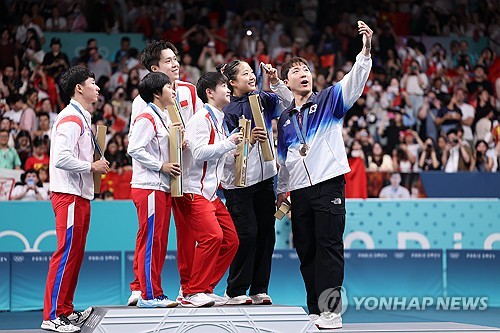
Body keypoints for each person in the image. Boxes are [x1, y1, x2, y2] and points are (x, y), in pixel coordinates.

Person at [275, 21, 372, 330]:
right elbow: (285, 162)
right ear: (287, 83)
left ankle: (332, 310)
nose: (303, 74)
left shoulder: (329, 100)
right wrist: (282, 193)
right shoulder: (286, 121)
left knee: (329, 247)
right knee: (306, 251)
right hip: (300, 192)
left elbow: (354, 81)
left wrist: (365, 51)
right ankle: (315, 308)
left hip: (329, 183)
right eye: (296, 71)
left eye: (306, 70)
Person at [127, 40, 203, 306]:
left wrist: (187, 141)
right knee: (151, 235)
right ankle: (142, 287)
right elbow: (135, 142)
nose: (176, 64)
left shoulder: (190, 91)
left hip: (185, 173)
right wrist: (161, 164)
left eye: (176, 59)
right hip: (156, 177)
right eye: (169, 61)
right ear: (154, 68)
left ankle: (188, 287)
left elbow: (199, 127)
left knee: (184, 233)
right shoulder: (144, 102)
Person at [219, 60, 292, 305]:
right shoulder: (226, 110)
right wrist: (247, 141)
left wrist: (277, 82)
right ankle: (234, 290)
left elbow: (290, 104)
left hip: (265, 179)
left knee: (266, 234)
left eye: (252, 72)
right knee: (247, 234)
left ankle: (259, 289)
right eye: (245, 73)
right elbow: (225, 155)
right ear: (231, 82)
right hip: (238, 185)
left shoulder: (262, 98)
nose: (251, 76)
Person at [41, 66, 109, 333]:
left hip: (79, 194)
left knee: (75, 255)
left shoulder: (82, 117)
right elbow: (60, 158)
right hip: (67, 194)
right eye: (93, 83)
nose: (98, 87)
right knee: (66, 252)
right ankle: (52, 315)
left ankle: (65, 311)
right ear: (79, 88)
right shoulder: (71, 117)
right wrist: (90, 167)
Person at [175, 71, 241, 307]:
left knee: (231, 240)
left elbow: (217, 157)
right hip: (193, 190)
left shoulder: (220, 121)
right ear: (209, 92)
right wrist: (228, 144)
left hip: (211, 194)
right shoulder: (200, 118)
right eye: (224, 85)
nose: (228, 89)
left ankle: (205, 287)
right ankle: (191, 292)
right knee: (212, 237)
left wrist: (236, 151)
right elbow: (199, 152)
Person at [127, 72, 182, 308]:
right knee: (151, 241)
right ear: (157, 93)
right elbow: (134, 148)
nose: (173, 90)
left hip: (160, 187)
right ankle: (148, 295)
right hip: (149, 187)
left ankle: (155, 291)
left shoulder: (161, 117)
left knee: (158, 241)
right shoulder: (147, 116)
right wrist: (162, 166)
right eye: (169, 87)